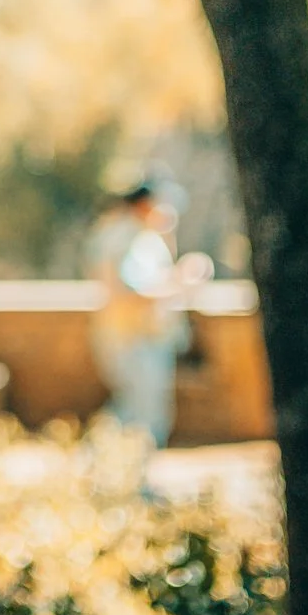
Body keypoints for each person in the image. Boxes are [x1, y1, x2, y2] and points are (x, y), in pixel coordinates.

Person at [84, 184, 191, 449]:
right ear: (146, 204)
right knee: (141, 410)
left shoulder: (133, 235)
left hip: (134, 336)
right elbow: (129, 291)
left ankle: (110, 460)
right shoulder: (126, 238)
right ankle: (102, 458)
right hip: (133, 339)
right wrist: (179, 282)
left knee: (140, 406)